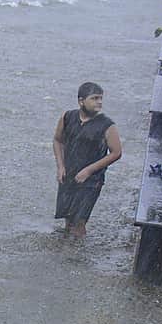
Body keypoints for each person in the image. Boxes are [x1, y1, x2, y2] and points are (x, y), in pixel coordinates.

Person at [53, 82, 123, 238]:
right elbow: (58, 140)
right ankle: (65, 249)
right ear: (81, 101)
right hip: (68, 174)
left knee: (79, 221)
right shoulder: (68, 117)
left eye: (101, 98)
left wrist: (89, 170)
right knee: (68, 218)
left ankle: (76, 255)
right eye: (94, 98)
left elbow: (116, 152)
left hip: (92, 180)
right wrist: (60, 166)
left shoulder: (107, 125)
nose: (99, 102)